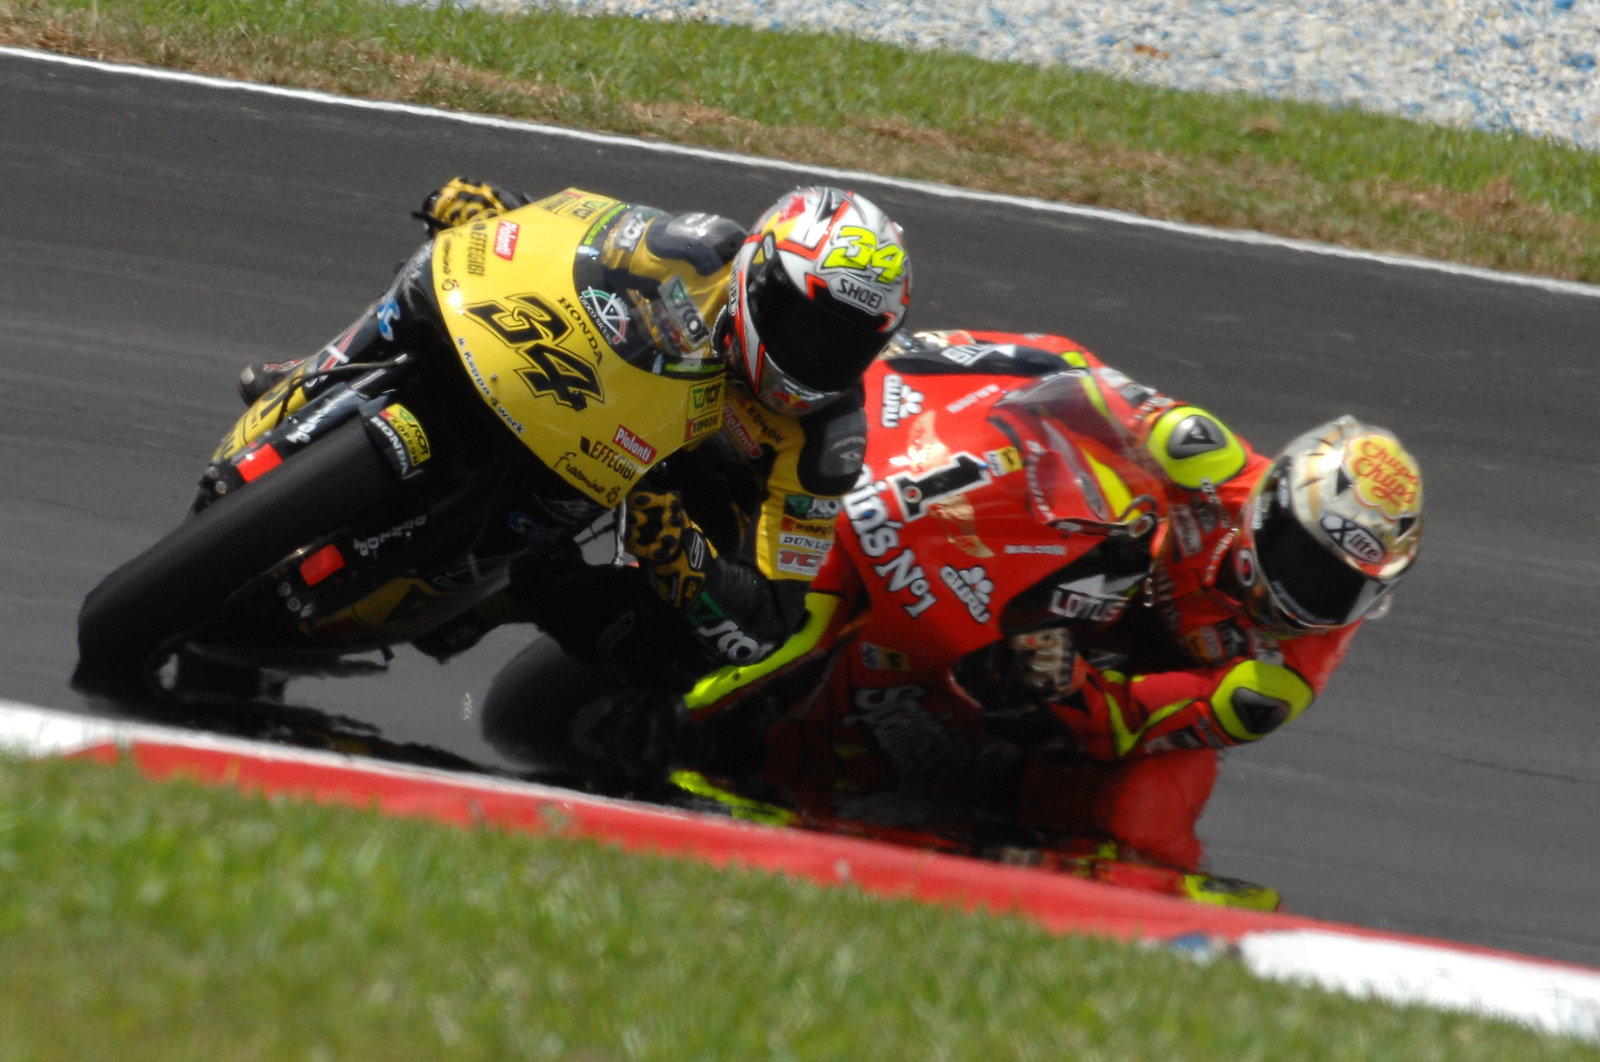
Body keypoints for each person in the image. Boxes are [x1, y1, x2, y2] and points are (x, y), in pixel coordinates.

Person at [612, 328, 1424, 869]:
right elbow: (1075, 374)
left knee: (1137, 827)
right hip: (1087, 581)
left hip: (1121, 686)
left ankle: (1007, 873)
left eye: (1339, 589)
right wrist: (938, 360)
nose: (1304, 594)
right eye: (1303, 558)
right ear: (1272, 502)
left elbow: (1129, 723)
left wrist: (1065, 685)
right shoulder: (1207, 458)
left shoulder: (1276, 684)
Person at [240, 178, 912, 694]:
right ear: (755, 274)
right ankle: (322, 366)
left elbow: (769, 622)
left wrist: (686, 559)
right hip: (589, 400)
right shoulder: (697, 249)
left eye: (843, 347)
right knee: (437, 268)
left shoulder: (826, 444)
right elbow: (580, 243)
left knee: (669, 661)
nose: (814, 355)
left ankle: (512, 589)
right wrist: (504, 215)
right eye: (801, 323)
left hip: (665, 498)